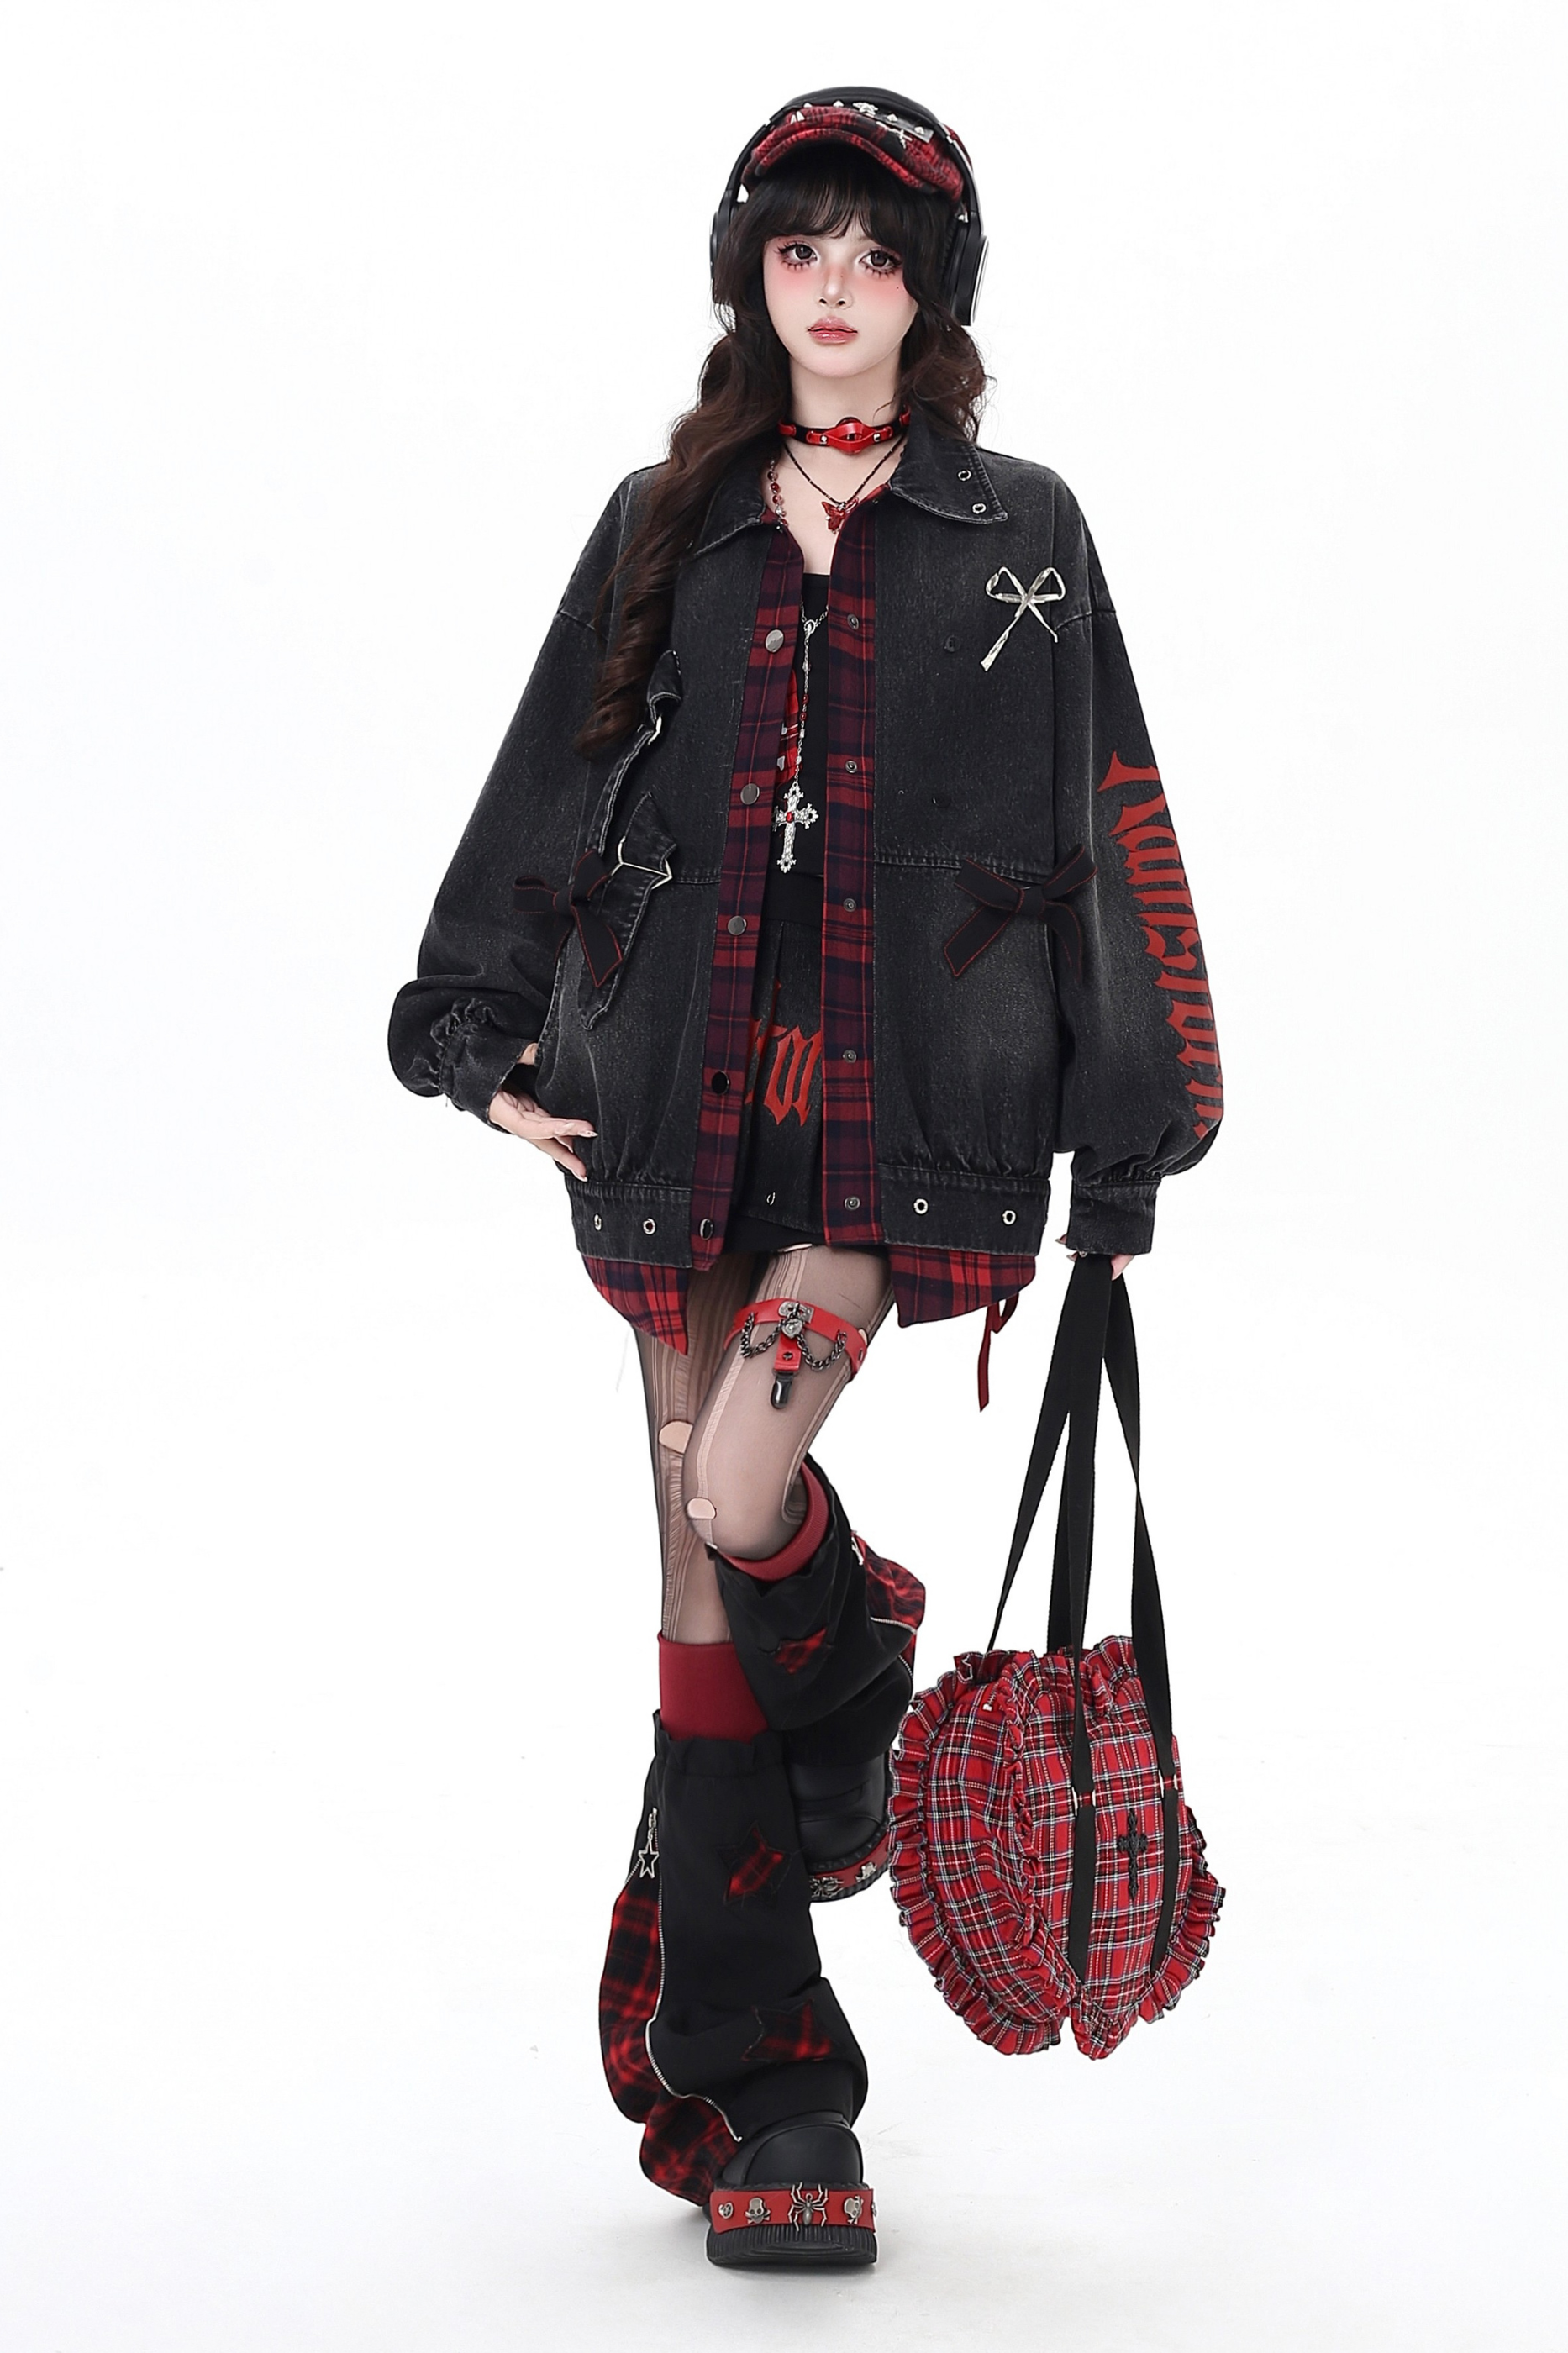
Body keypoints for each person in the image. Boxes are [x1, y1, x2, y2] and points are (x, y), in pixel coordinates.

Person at [388, 87, 1222, 2271]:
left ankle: (850, 1664)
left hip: (888, 1118)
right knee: (689, 1577)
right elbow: (556, 770)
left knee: (743, 1483)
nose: (835, 288)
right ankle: (773, 2087)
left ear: (933, 288)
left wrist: (1128, 1122)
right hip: (665, 1109)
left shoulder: (1019, 531)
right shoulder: (667, 519)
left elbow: (1105, 813)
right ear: (749, 275)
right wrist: (479, 1029)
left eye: (875, 253)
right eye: (799, 248)